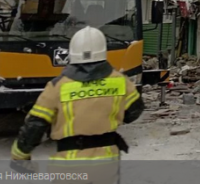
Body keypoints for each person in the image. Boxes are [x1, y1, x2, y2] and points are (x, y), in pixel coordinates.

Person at [11, 26, 143, 165]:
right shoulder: (121, 81)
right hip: (108, 162)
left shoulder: (57, 86)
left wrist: (19, 155)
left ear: (72, 52)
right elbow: (135, 111)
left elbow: (35, 126)